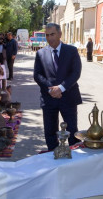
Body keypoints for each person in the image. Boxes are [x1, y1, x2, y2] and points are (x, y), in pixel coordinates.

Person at [34, 23, 82, 151]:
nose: (50, 38)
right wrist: (52, 89)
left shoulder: (71, 51)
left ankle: (74, 161)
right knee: (50, 132)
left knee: (72, 131)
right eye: (47, 35)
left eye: (52, 34)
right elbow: (37, 75)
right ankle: (53, 158)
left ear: (60, 34)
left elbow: (76, 73)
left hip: (68, 97)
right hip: (49, 99)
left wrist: (61, 88)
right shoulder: (40, 53)